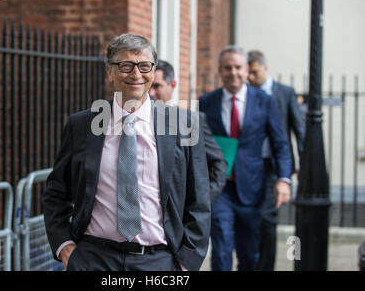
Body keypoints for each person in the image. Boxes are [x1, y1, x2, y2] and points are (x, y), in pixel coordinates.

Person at [42, 33, 211, 271]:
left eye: (144, 66)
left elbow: (199, 201)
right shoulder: (81, 125)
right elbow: (56, 193)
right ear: (110, 73)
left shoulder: (182, 125)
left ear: (152, 72)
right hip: (93, 259)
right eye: (125, 66)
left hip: (160, 262)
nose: (136, 74)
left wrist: (186, 263)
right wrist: (65, 245)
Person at [199, 45, 292, 271]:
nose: (233, 73)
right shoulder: (206, 102)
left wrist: (284, 179)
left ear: (247, 69)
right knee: (221, 251)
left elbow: (280, 143)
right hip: (220, 188)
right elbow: (197, 145)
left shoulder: (264, 101)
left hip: (252, 188)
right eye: (228, 68)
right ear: (220, 71)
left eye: (238, 67)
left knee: (249, 255)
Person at [247, 50, 305, 271]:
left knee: (267, 217)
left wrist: (303, 163)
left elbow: (299, 130)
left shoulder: (284, 92)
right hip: (250, 165)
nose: (250, 78)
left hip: (275, 165)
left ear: (265, 68)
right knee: (250, 217)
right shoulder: (247, 93)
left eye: (254, 72)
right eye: (248, 73)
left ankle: (265, 266)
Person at [149, 59, 228, 203]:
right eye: (148, 86)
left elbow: (218, 163)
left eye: (157, 86)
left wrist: (202, 202)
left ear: (172, 85)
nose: (151, 92)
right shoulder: (139, 120)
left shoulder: (190, 121)